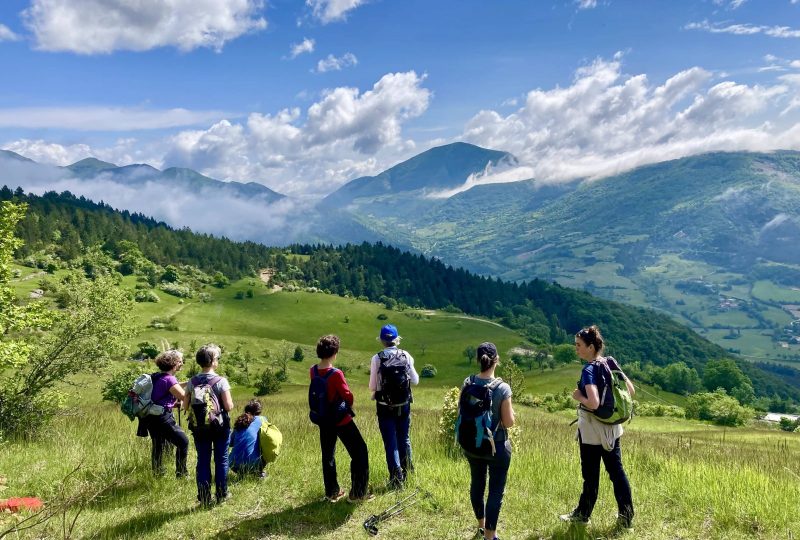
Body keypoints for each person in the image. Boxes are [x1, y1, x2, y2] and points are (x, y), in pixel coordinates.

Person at [560, 325, 635, 529]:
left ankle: (583, 515)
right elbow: (631, 390)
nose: (576, 349)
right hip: (612, 429)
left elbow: (592, 403)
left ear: (591, 347)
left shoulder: (589, 370)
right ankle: (626, 518)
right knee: (617, 473)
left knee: (590, 475)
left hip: (592, 431)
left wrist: (578, 396)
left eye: (579, 345)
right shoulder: (609, 362)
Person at [462, 342, 515, 540]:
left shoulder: (467, 383)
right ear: (496, 360)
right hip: (496, 446)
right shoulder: (502, 388)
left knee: (477, 484)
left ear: (478, 360)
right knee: (495, 491)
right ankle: (490, 537)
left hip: (472, 444)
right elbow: (508, 423)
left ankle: (481, 526)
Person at [310, 334, 371, 503]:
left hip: (323, 420)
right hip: (340, 420)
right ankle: (358, 493)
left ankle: (332, 492)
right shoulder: (336, 373)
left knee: (328, 455)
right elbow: (347, 396)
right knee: (360, 452)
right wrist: (350, 404)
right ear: (334, 352)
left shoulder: (313, 371)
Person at [368, 324, 419, 488]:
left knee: (390, 441)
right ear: (397, 339)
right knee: (404, 438)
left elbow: (372, 386)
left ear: (382, 340)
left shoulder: (377, 358)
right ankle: (408, 472)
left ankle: (396, 480)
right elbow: (416, 380)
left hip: (384, 405)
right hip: (404, 404)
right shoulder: (406, 355)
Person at [186, 344, 234, 506]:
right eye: (217, 358)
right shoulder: (221, 381)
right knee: (221, 459)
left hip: (199, 427)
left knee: (203, 460)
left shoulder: (192, 382)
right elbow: (228, 406)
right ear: (213, 361)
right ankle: (222, 494)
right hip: (220, 426)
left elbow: (185, 406)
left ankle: (204, 497)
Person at [142, 349, 189, 478]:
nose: (182, 364)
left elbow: (170, 389)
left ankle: (157, 474)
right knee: (183, 442)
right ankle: (181, 474)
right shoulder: (170, 379)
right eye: (180, 361)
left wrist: (188, 383)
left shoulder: (157, 376)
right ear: (173, 363)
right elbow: (184, 397)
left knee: (158, 444)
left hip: (150, 417)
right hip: (163, 418)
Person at [229, 399, 267, 479]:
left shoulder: (241, 421)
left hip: (233, 464)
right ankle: (259, 473)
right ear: (259, 411)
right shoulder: (262, 420)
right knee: (266, 446)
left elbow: (230, 443)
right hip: (253, 464)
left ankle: (241, 473)